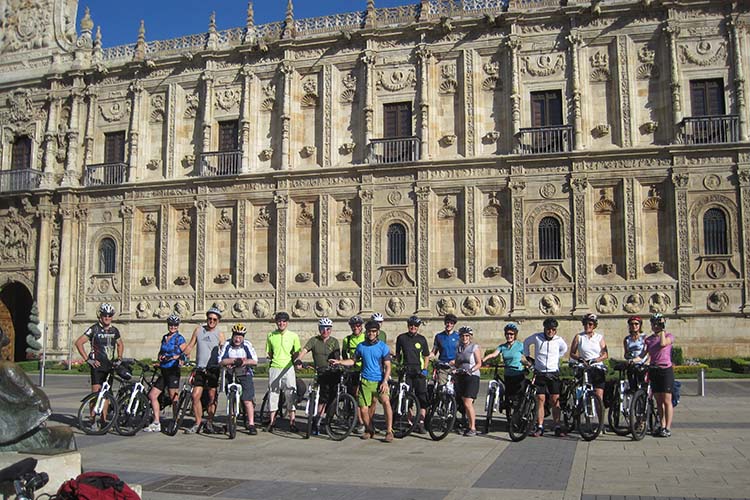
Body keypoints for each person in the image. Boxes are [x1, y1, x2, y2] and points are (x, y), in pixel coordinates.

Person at [330, 320, 394, 443]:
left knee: (386, 402)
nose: (371, 334)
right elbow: (353, 361)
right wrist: (339, 362)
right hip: (365, 380)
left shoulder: (383, 347)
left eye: (374, 332)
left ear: (377, 332)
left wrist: (385, 381)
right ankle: (370, 429)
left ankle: (389, 431)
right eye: (369, 331)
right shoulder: (361, 346)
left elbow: (388, 366)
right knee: (363, 409)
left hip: (379, 381)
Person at [523, 317, 568, 437]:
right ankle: (540, 426)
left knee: (555, 401)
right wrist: (528, 357)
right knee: (540, 400)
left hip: (553, 373)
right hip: (540, 373)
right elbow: (526, 342)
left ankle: (557, 426)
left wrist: (557, 357)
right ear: (544, 329)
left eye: (553, 329)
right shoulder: (537, 337)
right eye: (548, 329)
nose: (550, 331)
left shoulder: (559, 340)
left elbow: (564, 349)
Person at [184, 306, 226, 434]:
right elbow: (190, 345)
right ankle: (197, 422)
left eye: (214, 319)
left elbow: (223, 351)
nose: (211, 321)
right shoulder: (198, 330)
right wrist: (184, 355)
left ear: (218, 320)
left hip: (213, 369)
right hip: (200, 369)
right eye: (209, 318)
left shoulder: (220, 334)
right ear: (206, 318)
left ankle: (209, 422)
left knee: (212, 396)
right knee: (195, 395)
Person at [295, 317, 340, 435]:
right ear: (319, 329)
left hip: (332, 372)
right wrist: (299, 360)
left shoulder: (334, 341)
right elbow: (304, 351)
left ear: (331, 330)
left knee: (332, 398)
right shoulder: (314, 340)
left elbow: (337, 355)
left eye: (328, 329)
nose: (325, 331)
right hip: (320, 372)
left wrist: (336, 361)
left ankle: (328, 421)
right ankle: (316, 422)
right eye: (322, 328)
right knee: (321, 398)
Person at [144, 314, 187, 433]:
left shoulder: (179, 339)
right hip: (164, 370)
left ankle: (175, 421)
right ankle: (156, 422)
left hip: (173, 370)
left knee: (174, 398)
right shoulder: (164, 337)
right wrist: (160, 358)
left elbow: (186, 354)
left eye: (175, 325)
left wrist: (176, 357)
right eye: (171, 325)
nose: (173, 327)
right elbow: (161, 351)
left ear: (178, 326)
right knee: (152, 395)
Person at [75, 303, 124, 397]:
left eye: (110, 315)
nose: (107, 317)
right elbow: (79, 343)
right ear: (100, 316)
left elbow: (120, 344)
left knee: (106, 395)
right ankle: (93, 412)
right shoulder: (94, 329)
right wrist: (88, 360)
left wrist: (119, 358)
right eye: (105, 315)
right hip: (97, 366)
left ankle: (104, 412)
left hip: (109, 366)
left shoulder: (114, 330)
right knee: (95, 395)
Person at [219, 323, 259, 435]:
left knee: (247, 400)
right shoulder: (227, 344)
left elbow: (254, 361)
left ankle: (251, 424)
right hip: (230, 373)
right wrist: (233, 361)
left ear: (243, 337)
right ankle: (230, 421)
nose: (237, 339)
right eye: (236, 336)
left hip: (244, 373)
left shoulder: (247, 345)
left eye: (240, 337)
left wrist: (244, 362)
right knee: (230, 398)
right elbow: (221, 360)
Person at [265, 311, 301, 433]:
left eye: (284, 321)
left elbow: (297, 351)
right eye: (279, 321)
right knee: (273, 394)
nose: (281, 323)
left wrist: (293, 360)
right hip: (275, 367)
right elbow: (269, 352)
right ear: (276, 322)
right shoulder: (270, 335)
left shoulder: (293, 336)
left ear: (287, 323)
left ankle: (292, 421)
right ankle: (272, 422)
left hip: (288, 367)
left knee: (290, 393)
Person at [394, 315, 431, 434]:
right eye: (411, 325)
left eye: (415, 326)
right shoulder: (401, 338)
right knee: (407, 397)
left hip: (419, 371)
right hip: (406, 370)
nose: (413, 327)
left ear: (418, 327)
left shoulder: (422, 339)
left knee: (422, 397)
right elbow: (398, 354)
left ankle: (420, 422)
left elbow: (426, 355)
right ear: (408, 326)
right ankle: (410, 422)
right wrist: (398, 365)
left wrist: (425, 368)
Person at [644, 313, 674, 437]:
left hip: (665, 370)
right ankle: (661, 425)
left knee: (667, 400)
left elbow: (662, 344)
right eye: (654, 324)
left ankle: (667, 427)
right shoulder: (649, 339)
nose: (655, 326)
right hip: (654, 370)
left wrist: (662, 330)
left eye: (658, 324)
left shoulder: (669, 336)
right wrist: (633, 360)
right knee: (658, 401)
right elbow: (644, 355)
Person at [569, 313, 609, 406]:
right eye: (585, 324)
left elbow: (605, 354)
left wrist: (597, 359)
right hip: (584, 367)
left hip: (597, 367)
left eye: (590, 324)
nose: (587, 326)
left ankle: (600, 420)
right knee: (584, 395)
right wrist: (579, 359)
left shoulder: (599, 337)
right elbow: (572, 353)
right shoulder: (579, 337)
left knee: (599, 396)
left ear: (594, 325)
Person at [482, 322, 526, 405]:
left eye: (511, 334)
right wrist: (483, 359)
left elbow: (527, 356)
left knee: (519, 395)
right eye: (507, 334)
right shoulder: (502, 346)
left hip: (518, 372)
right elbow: (494, 354)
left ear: (515, 335)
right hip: (508, 373)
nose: (509, 336)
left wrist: (528, 363)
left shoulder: (520, 345)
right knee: (508, 394)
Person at [453, 326, 482, 436]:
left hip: (472, 377)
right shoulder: (458, 348)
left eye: (466, 336)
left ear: (470, 337)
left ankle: (473, 428)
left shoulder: (474, 347)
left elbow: (479, 363)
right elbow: (457, 362)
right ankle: (467, 424)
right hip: (461, 376)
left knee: (468, 403)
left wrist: (471, 370)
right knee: (462, 402)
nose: (464, 338)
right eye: (462, 336)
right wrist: (454, 369)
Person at [431, 314, 459, 385]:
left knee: (456, 388)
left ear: (454, 325)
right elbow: (434, 350)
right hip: (443, 366)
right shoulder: (439, 336)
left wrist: (456, 361)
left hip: (455, 366)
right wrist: (430, 356)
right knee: (442, 388)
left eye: (451, 323)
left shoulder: (458, 336)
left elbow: (462, 351)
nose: (449, 325)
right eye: (447, 323)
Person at [623, 316, 648, 390]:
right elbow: (626, 353)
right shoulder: (627, 339)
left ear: (640, 325)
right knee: (632, 385)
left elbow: (647, 352)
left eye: (636, 324)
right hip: (632, 363)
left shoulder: (644, 338)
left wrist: (646, 362)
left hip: (642, 363)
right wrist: (628, 357)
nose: (634, 326)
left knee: (643, 385)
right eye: (631, 324)